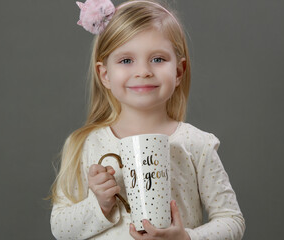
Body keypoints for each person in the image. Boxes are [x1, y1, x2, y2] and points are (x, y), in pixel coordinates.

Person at [49, 0, 246, 239]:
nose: (143, 71)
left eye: (158, 59)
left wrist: (186, 238)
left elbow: (232, 220)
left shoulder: (197, 144)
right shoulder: (85, 145)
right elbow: (60, 228)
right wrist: (99, 204)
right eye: (126, 60)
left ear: (179, 72)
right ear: (105, 74)